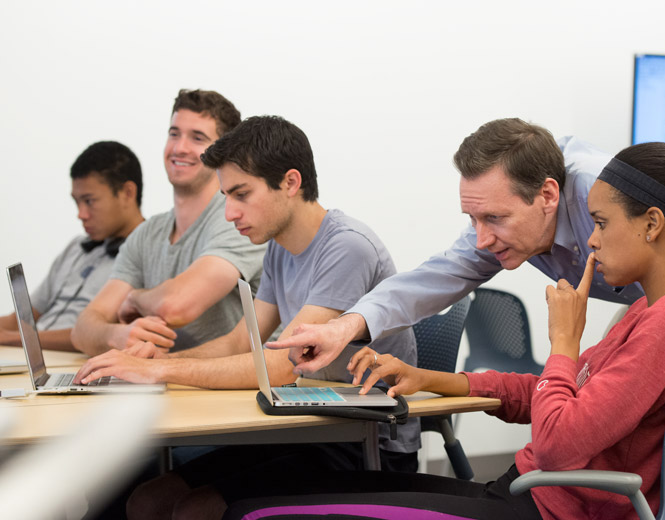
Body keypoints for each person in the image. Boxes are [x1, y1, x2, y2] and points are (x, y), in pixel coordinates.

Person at [269, 118, 665, 519]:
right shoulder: (527, 218)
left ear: (550, 196)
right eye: (474, 220)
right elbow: (436, 276)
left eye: (494, 219)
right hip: (658, 306)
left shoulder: (634, 217)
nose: (482, 237)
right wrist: (349, 326)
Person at [74, 115, 420, 520]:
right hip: (308, 427)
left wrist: (160, 371)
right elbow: (241, 343)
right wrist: (150, 362)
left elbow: (279, 366)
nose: (229, 212)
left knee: (195, 509)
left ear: (291, 183)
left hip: (364, 445)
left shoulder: (348, 248)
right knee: (147, 500)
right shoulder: (278, 247)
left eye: (241, 194)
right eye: (226, 196)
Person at [71, 89, 266, 356]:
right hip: (166, 381)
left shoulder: (237, 220)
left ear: (223, 153)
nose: (179, 147)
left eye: (198, 138)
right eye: (174, 134)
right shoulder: (147, 234)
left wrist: (135, 298)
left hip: (227, 388)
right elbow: (82, 329)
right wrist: (118, 334)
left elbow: (175, 306)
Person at [0, 141, 144, 351]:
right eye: (77, 202)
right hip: (33, 357)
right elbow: (22, 319)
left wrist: (14, 340)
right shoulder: (76, 247)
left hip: (73, 363)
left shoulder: (148, 254)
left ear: (128, 193)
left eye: (89, 201)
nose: (81, 214)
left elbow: (102, 335)